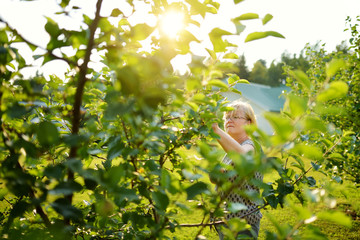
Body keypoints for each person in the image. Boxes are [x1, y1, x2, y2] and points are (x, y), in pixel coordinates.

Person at [211, 100, 263, 240]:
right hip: (226, 221)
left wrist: (215, 129)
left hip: (244, 222)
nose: (229, 120)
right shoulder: (230, 150)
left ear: (249, 123)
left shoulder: (252, 146)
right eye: (227, 117)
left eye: (235, 116)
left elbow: (243, 157)